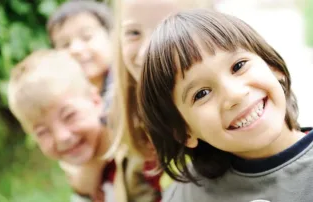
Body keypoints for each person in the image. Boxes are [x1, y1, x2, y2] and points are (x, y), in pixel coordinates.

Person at [138, 9, 313, 202]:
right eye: (202, 94)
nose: (234, 94)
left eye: (238, 66)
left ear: (273, 67)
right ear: (184, 131)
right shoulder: (186, 195)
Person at [110, 0, 214, 199]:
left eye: (168, 29)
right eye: (133, 33)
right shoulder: (130, 125)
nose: (145, 52)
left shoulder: (229, 125)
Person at [8, 50, 120, 202]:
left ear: (95, 101)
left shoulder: (134, 149)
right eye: (42, 132)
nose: (62, 137)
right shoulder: (78, 176)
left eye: (69, 116)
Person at [47, 0, 113, 96]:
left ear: (111, 36)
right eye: (65, 44)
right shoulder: (61, 98)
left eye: (86, 37)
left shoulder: (130, 84)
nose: (75, 49)